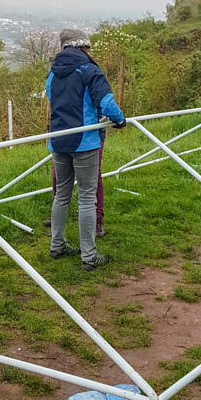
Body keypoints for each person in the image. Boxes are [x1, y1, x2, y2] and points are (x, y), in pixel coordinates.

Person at [46, 29, 126, 270]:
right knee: (87, 197)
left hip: (58, 140)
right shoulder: (89, 70)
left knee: (61, 194)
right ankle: (89, 256)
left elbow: (52, 100)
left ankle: (57, 245)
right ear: (83, 48)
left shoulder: (53, 73)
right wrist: (120, 120)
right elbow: (107, 103)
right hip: (85, 141)